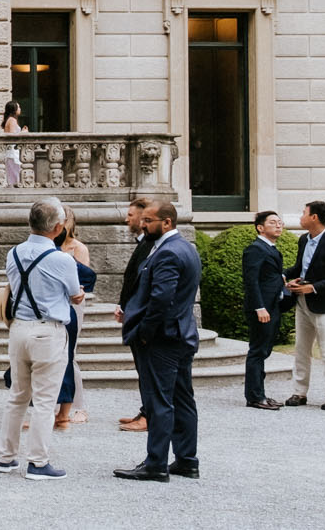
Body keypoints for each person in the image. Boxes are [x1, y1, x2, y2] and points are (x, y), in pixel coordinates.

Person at [0, 197, 83, 481]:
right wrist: (77, 294)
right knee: (45, 400)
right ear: (58, 228)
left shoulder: (14, 253)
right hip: (48, 330)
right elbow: (73, 294)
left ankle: (6, 458)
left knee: (17, 396)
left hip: (19, 328)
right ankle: (38, 462)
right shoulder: (62, 259)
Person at [115, 198, 201, 482]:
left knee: (159, 402)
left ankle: (155, 464)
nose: (143, 224)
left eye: (148, 220)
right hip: (181, 334)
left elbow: (161, 299)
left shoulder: (167, 252)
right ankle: (187, 461)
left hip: (163, 338)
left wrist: (143, 333)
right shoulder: (185, 248)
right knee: (182, 398)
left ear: (167, 222)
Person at [283, 199, 325, 409]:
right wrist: (283, 277)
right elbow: (300, 268)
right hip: (302, 302)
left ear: (314, 217)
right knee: (301, 349)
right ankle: (299, 393)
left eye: (303, 213)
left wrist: (313, 287)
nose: (300, 216)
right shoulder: (303, 239)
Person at [115, 197, 158, 433]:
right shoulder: (143, 244)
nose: (126, 219)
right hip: (134, 314)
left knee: (147, 369)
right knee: (142, 368)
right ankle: (146, 410)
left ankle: (149, 415)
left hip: (143, 318)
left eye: (130, 215)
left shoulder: (151, 247)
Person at [53, 208, 97, 431]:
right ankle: (57, 405)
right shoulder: (50, 244)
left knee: (71, 355)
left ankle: (79, 406)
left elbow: (86, 280)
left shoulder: (78, 248)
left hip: (74, 303)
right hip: (54, 304)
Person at [242, 209, 288, 410]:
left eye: (280, 222)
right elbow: (251, 281)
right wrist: (259, 307)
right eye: (272, 222)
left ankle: (260, 393)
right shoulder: (255, 249)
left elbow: (269, 276)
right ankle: (254, 396)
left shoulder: (271, 249)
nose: (278, 225)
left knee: (264, 351)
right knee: (258, 351)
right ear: (260, 228)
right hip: (262, 309)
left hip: (272, 306)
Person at [0, 101, 27, 189]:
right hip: (12, 152)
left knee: (14, 175)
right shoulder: (12, 120)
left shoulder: (11, 120)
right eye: (18, 107)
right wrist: (23, 132)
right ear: (14, 109)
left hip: (13, 152)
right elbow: (12, 137)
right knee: (14, 177)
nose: (20, 109)